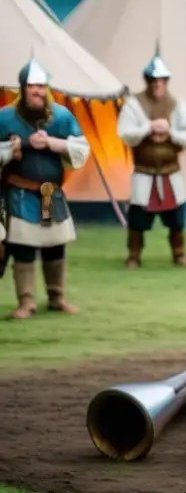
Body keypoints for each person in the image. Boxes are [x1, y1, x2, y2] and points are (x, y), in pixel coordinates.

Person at [0, 58, 90, 319]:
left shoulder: (61, 117)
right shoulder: (5, 118)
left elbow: (82, 150)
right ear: (22, 89)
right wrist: (9, 150)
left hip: (51, 193)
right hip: (20, 193)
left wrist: (52, 143)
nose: (37, 91)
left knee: (55, 245)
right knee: (23, 248)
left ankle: (56, 297)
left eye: (41, 86)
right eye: (31, 86)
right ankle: (26, 302)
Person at [116, 51, 186, 267]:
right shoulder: (134, 104)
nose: (158, 85)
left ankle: (179, 253)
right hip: (144, 171)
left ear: (167, 81)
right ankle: (134, 255)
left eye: (161, 80)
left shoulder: (177, 105)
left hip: (170, 171)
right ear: (148, 81)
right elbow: (125, 133)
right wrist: (148, 127)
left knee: (176, 218)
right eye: (154, 80)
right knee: (138, 218)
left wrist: (170, 131)